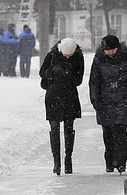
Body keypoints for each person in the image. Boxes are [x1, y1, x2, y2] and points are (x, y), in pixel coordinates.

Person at [89, 35, 127, 173]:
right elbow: (94, 82)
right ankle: (110, 161)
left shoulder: (126, 57)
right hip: (104, 101)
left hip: (123, 99)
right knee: (108, 131)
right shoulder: (98, 60)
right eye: (108, 50)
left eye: (113, 49)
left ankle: (121, 162)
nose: (110, 52)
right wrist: (95, 99)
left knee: (120, 130)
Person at [39, 38, 84, 175]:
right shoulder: (51, 55)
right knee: (54, 128)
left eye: (70, 55)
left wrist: (68, 73)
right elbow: (42, 73)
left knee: (69, 129)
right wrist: (53, 72)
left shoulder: (78, 57)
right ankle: (56, 162)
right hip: (53, 96)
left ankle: (68, 158)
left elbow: (78, 80)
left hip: (70, 97)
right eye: (65, 55)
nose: (68, 57)